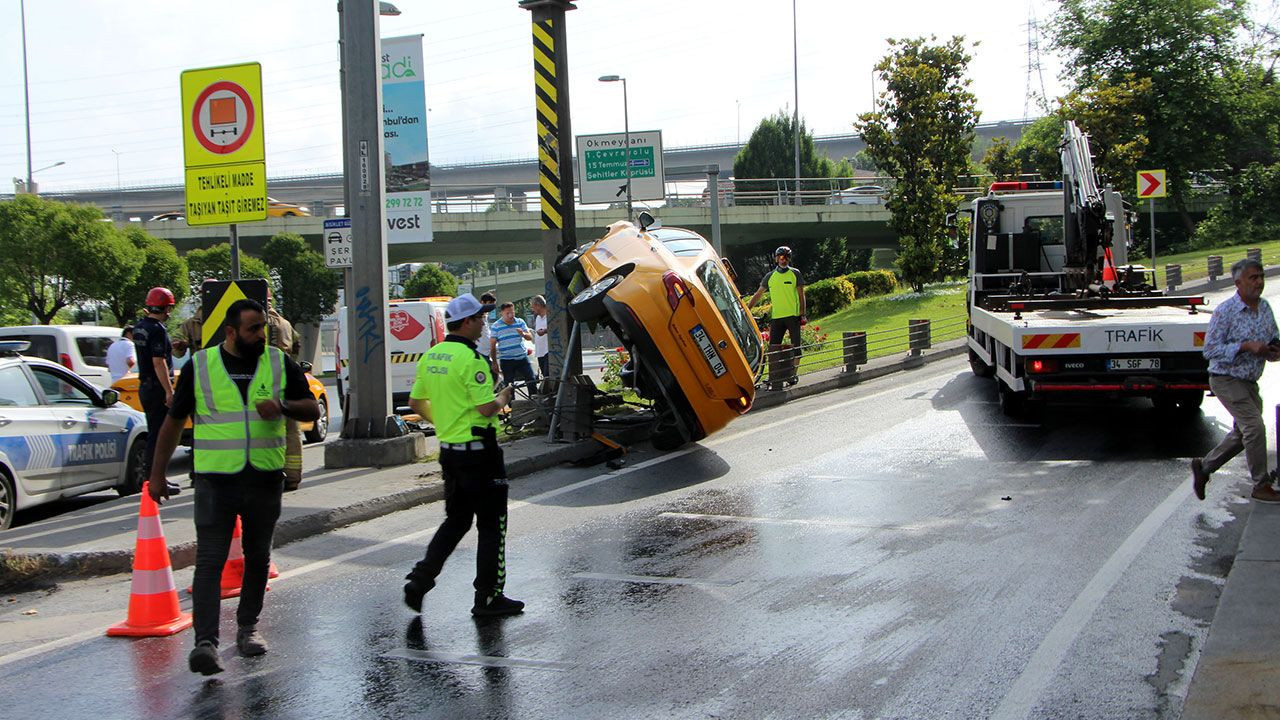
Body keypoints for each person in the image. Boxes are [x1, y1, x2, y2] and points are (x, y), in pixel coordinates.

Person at [147, 298, 320, 676]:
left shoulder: (277, 362)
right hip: (215, 481)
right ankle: (205, 644)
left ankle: (248, 629)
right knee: (209, 561)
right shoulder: (201, 366)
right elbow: (174, 422)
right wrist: (156, 475)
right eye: (252, 328)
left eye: (262, 328)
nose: (261, 335)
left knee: (258, 558)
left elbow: (313, 409)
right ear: (230, 332)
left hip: (263, 479)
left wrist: (283, 407)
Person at [403, 294, 523, 618]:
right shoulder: (471, 360)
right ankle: (488, 597)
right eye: (480, 319)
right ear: (467, 322)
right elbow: (486, 408)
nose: (484, 325)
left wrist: (443, 422)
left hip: (450, 453)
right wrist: (503, 397)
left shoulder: (431, 356)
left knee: (456, 520)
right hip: (481, 455)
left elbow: (416, 404)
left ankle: (420, 578)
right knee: (492, 524)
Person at [1192, 258, 1280, 504]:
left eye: (1261, 277)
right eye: (1254, 278)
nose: (1259, 282)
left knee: (1242, 434)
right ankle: (1261, 485)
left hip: (1250, 382)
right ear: (1238, 282)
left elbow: (1274, 338)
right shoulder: (1225, 311)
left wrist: (1273, 351)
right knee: (1254, 427)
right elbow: (1210, 350)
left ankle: (1204, 467)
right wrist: (1244, 347)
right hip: (1226, 379)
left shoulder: (1264, 308)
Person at [134, 287, 181, 496]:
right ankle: (154, 478)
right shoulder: (158, 329)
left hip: (145, 386)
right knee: (161, 435)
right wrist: (169, 392)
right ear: (166, 307)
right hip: (157, 388)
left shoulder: (140, 327)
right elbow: (159, 362)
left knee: (155, 432)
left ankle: (150, 476)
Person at [747, 246, 807, 387]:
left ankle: (793, 375)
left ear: (789, 258)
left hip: (793, 316)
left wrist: (802, 313)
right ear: (776, 259)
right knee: (773, 348)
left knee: (795, 347)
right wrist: (747, 308)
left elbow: (801, 294)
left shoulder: (795, 274)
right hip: (777, 317)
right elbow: (758, 294)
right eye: (780, 257)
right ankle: (773, 376)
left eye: (786, 257)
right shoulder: (770, 276)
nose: (783, 260)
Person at [266, 289, 304, 492]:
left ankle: (272, 473)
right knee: (291, 431)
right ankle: (293, 476)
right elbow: (297, 344)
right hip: (286, 380)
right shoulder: (285, 323)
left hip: (264, 382)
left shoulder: (255, 322)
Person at [490, 302, 536, 387]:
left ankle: (533, 397)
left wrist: (523, 334)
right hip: (506, 360)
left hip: (522, 357)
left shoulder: (520, 322)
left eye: (512, 312)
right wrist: (494, 363)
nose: (511, 315)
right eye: (508, 313)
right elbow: (492, 346)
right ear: (502, 313)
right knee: (509, 384)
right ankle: (511, 400)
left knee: (531, 379)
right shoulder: (496, 326)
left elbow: (530, 337)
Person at [477, 291, 499, 379]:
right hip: (480, 353)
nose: (490, 309)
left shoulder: (485, 317)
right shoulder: (478, 315)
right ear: (482, 303)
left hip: (486, 353)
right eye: (489, 305)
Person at [531, 295, 550, 381]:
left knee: (548, 375)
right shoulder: (538, 318)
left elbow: (555, 327)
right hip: (540, 352)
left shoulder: (550, 315)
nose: (532, 309)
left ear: (538, 305)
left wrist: (545, 331)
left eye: (533, 307)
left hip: (548, 351)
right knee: (544, 375)